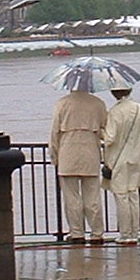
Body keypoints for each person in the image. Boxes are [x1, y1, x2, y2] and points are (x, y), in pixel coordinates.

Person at [49, 84, 109, 244]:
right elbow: (106, 130)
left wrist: (54, 155)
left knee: (71, 198)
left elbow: (55, 132)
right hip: (90, 154)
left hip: (67, 154)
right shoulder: (98, 103)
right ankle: (97, 234)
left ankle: (77, 233)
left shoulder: (62, 103)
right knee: (93, 198)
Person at [101, 83, 140, 245]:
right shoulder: (139, 109)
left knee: (121, 196)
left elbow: (110, 138)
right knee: (133, 196)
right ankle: (135, 233)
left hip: (118, 161)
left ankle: (125, 234)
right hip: (136, 158)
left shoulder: (115, 112)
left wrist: (99, 132)